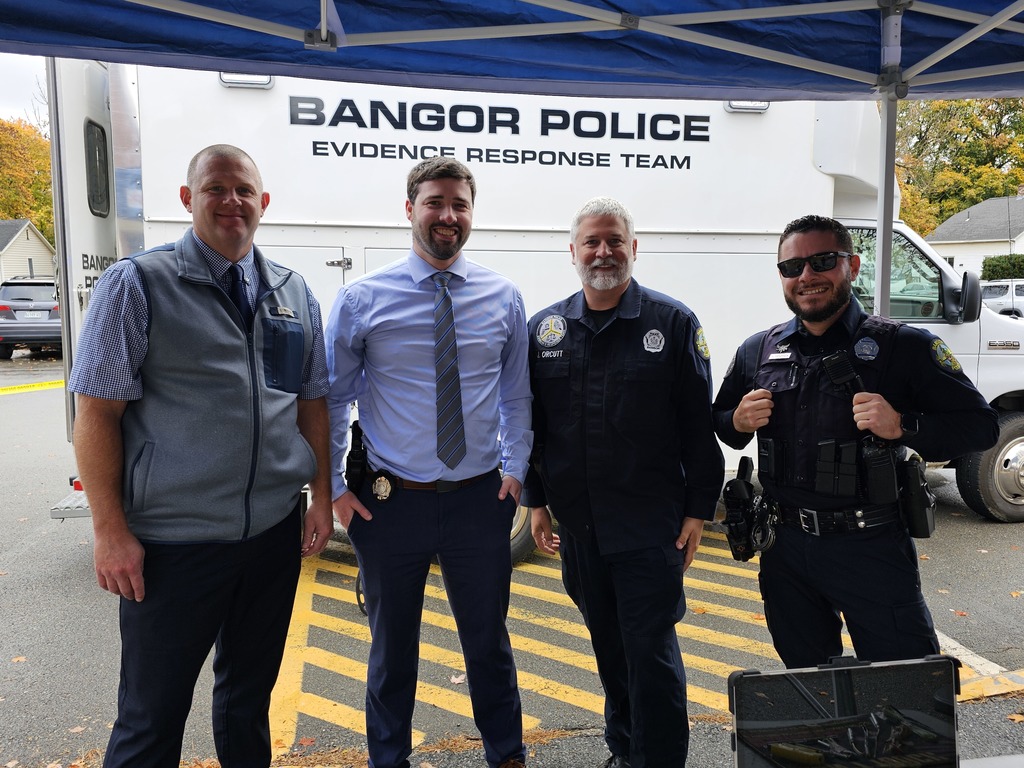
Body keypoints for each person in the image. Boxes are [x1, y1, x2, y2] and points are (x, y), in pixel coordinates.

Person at [69, 143, 334, 768]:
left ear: (263, 203)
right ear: (188, 199)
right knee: (151, 717)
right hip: (173, 544)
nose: (231, 201)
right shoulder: (138, 284)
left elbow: (311, 404)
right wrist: (109, 531)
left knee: (248, 706)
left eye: (243, 190)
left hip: (270, 536)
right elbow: (96, 414)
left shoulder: (293, 291)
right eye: (215, 188)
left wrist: (320, 496)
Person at [712, 214, 999, 670]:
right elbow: (722, 424)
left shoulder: (904, 346)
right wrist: (738, 419)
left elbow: (981, 427)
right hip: (785, 550)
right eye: (792, 267)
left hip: (871, 548)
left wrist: (902, 425)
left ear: (853, 265)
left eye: (823, 261)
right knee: (808, 685)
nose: (807, 276)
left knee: (905, 685)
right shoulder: (758, 350)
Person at [325, 157, 532, 768]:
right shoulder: (362, 299)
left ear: (471, 213)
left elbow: (517, 396)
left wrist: (516, 471)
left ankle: (508, 755)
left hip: (479, 502)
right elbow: (333, 399)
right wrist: (332, 488)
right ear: (409, 209)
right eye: (435, 202)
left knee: (489, 646)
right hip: (391, 505)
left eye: (459, 204)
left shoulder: (503, 297)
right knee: (391, 653)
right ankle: (388, 760)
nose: (448, 215)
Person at [522, 196, 725, 768]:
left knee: (650, 656)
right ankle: (625, 751)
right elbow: (533, 426)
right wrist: (537, 502)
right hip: (580, 529)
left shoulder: (672, 323)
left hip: (648, 529)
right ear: (573, 252)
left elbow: (697, 426)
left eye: (615, 241)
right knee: (609, 650)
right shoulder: (545, 330)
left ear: (633, 248)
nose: (603, 252)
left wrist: (698, 511)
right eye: (591, 241)